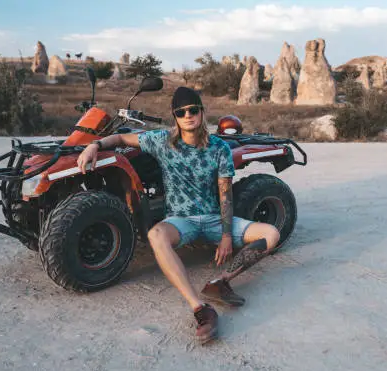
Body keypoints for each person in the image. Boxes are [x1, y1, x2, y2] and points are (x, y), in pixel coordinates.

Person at [77, 87, 280, 344]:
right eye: (181, 112)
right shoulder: (162, 141)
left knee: (271, 234)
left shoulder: (219, 148)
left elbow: (225, 194)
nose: (188, 115)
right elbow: (119, 139)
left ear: (201, 113)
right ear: (175, 117)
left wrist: (227, 235)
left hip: (215, 219)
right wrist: (93, 146)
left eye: (193, 110)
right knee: (156, 234)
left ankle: (219, 282)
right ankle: (200, 308)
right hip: (181, 221)